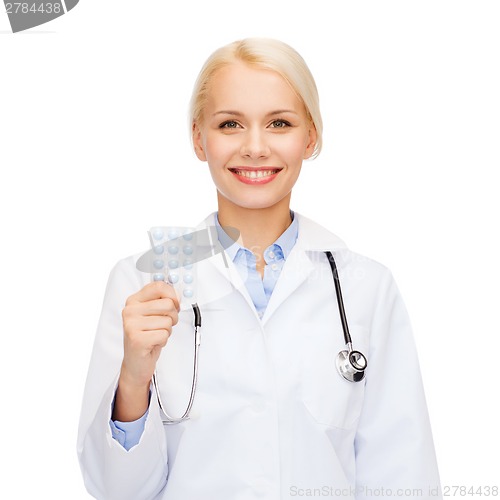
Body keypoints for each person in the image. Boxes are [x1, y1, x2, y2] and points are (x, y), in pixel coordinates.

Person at [77, 38, 442, 500]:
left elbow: (404, 477)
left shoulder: (364, 287)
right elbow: (116, 489)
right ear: (198, 138)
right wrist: (134, 376)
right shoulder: (142, 281)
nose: (254, 147)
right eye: (229, 124)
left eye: (279, 124)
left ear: (310, 136)